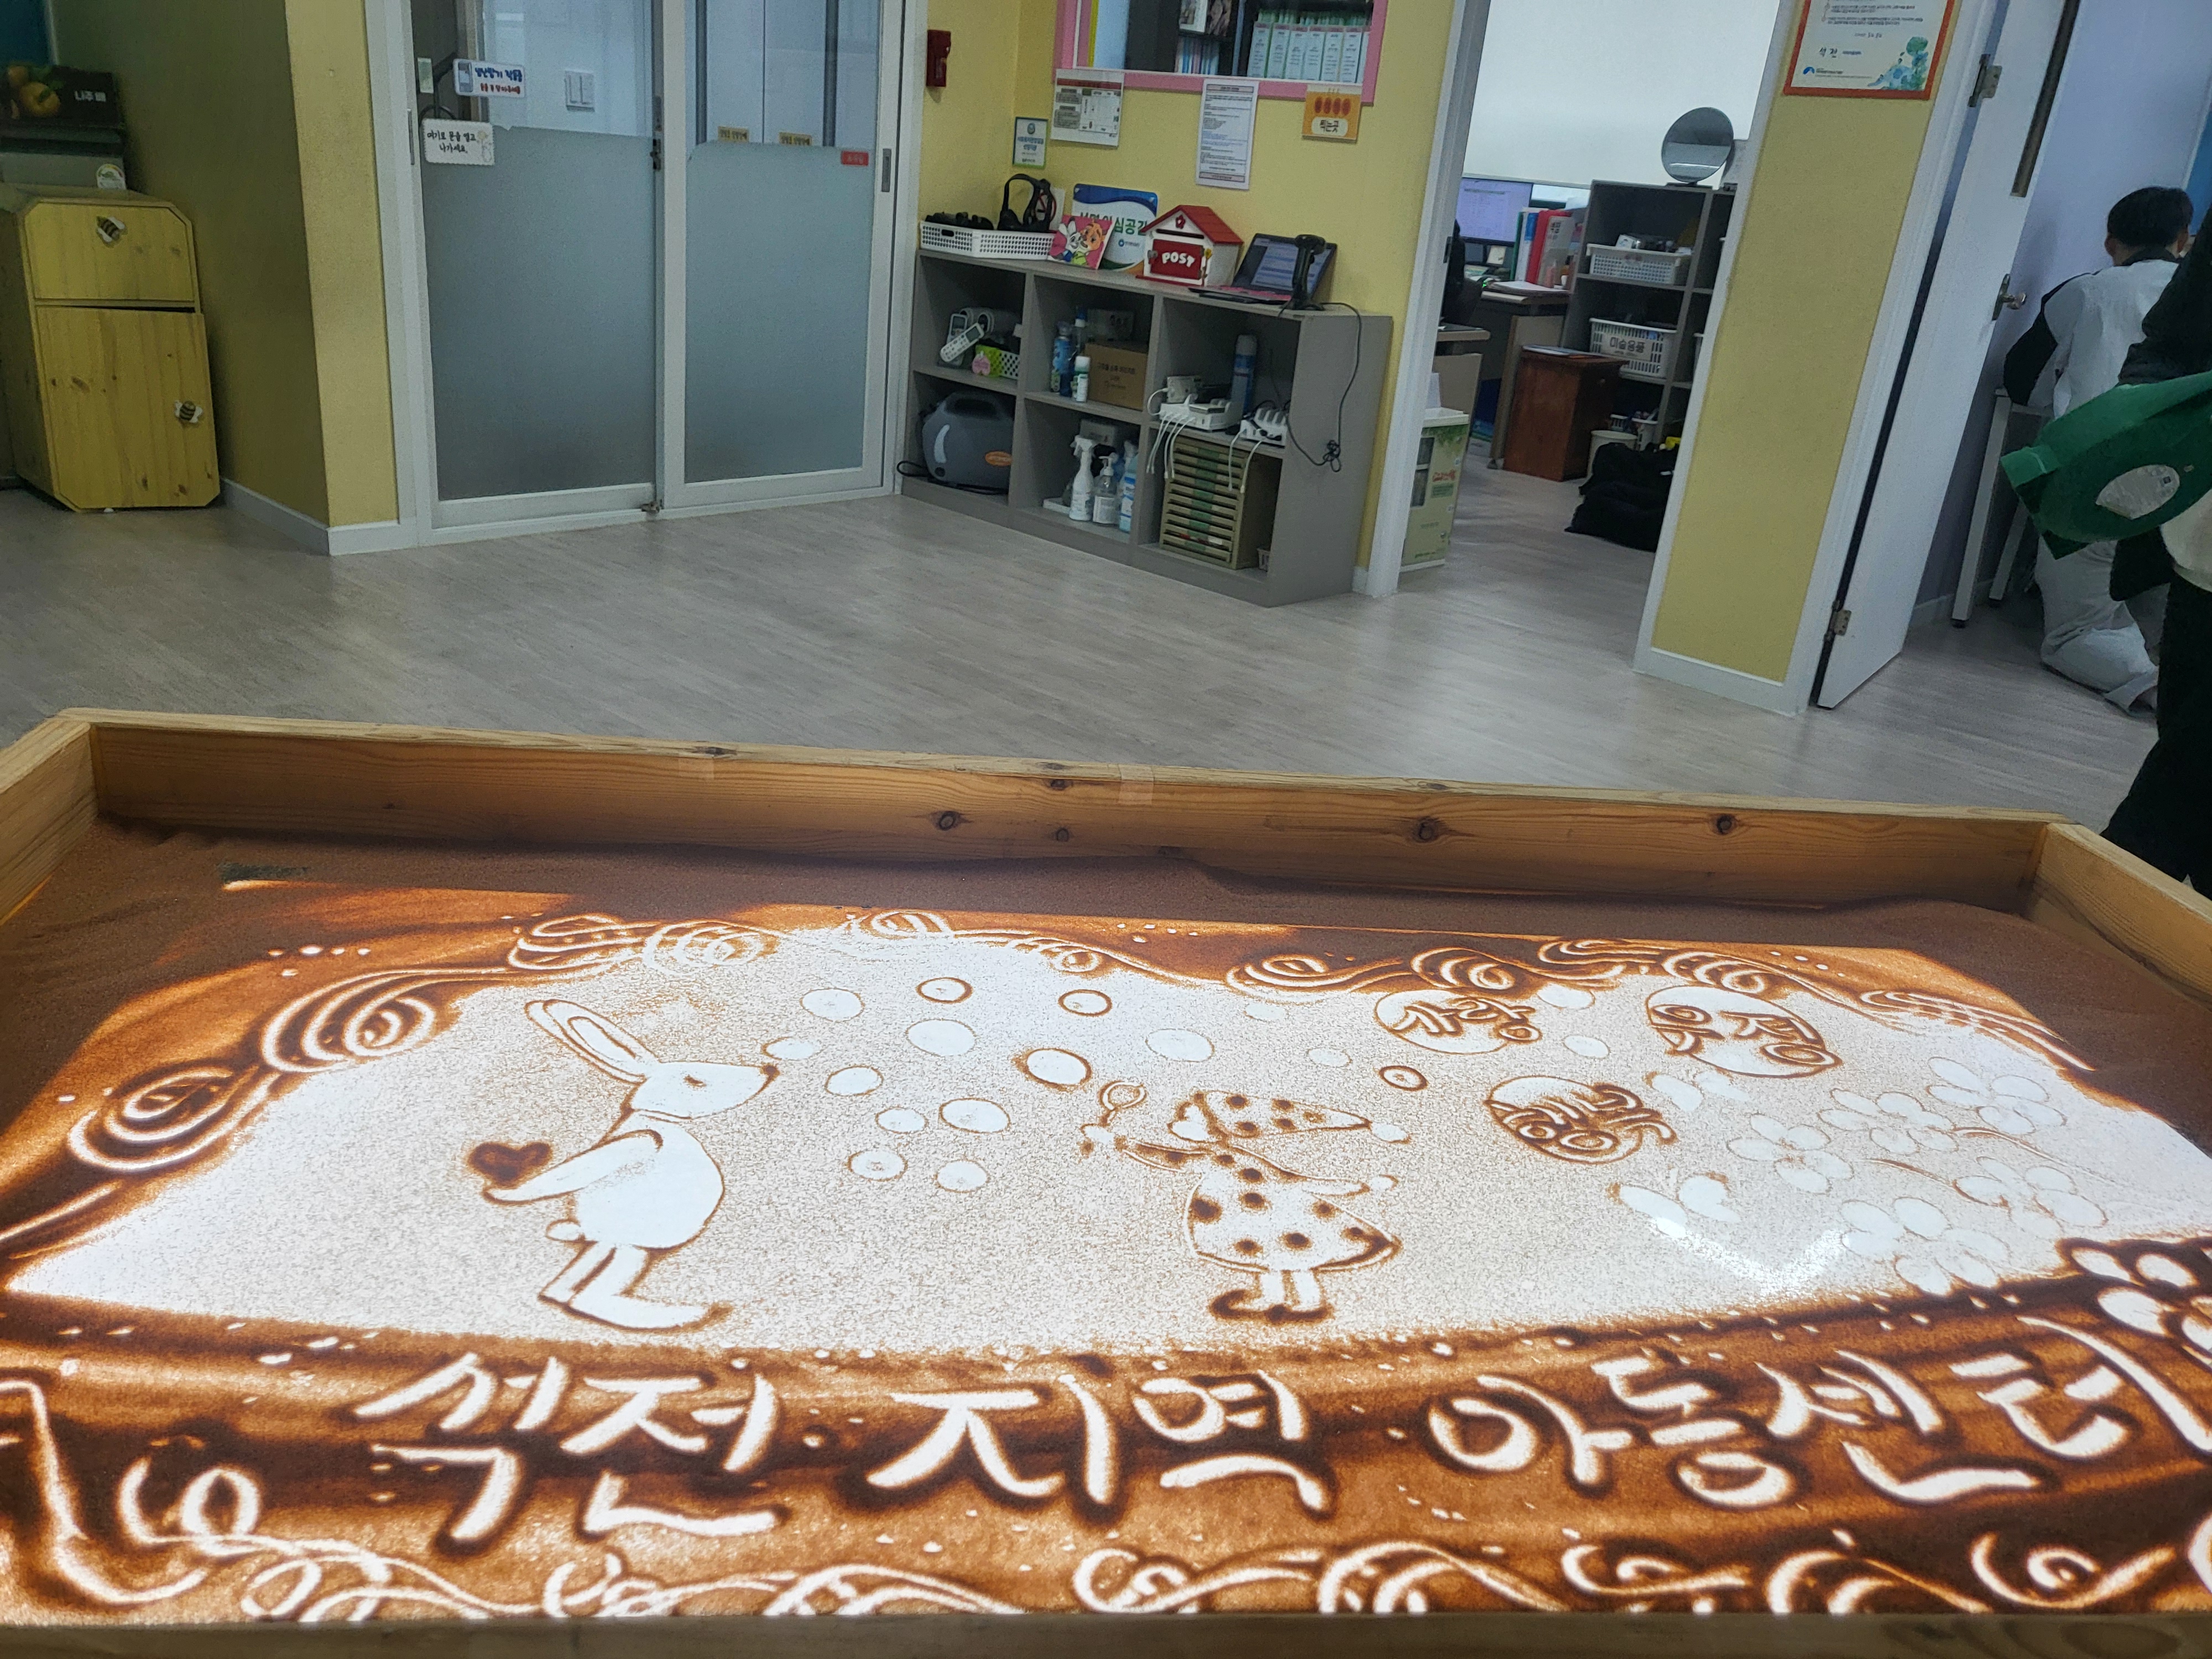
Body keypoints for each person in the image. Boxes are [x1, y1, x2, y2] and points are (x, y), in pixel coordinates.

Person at [2003, 186, 2193, 707]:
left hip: (2099, 483)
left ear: (2111, 242)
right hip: (2193, 484)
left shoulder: (2087, 291)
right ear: (2182, 240)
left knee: (2076, 631)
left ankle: (2157, 689)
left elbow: (2023, 386)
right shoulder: (2199, 297)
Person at [2104, 212, 2212, 885]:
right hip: (2201, 556)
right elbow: (2167, 346)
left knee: (2176, 783)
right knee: (2186, 752)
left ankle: (2100, 903)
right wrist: (2145, 418)